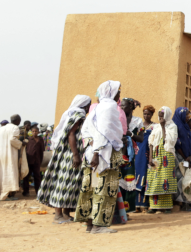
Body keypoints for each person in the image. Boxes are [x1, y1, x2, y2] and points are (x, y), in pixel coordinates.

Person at [74, 81, 124, 234]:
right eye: (118, 92)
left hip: (92, 154)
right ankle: (98, 226)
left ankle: (90, 224)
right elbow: (104, 131)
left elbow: (85, 131)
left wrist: (91, 147)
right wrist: (97, 153)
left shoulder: (96, 108)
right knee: (104, 190)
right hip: (104, 155)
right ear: (112, 92)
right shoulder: (110, 107)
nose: (119, 95)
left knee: (91, 189)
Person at [37, 95, 90, 222]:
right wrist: (75, 155)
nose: (89, 107)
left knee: (70, 184)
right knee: (63, 183)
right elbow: (71, 134)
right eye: (88, 104)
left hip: (67, 153)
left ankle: (66, 214)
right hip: (70, 154)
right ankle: (58, 215)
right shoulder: (78, 114)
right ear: (84, 104)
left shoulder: (72, 113)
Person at [145, 106, 178, 213]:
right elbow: (151, 142)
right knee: (154, 180)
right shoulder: (156, 127)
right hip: (155, 155)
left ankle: (166, 207)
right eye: (159, 117)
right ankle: (154, 206)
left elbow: (169, 141)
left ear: (167, 116)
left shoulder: (172, 127)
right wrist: (150, 157)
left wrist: (164, 127)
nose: (160, 119)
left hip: (166, 156)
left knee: (165, 179)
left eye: (162, 117)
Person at [120, 98, 143, 212]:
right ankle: (117, 210)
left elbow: (141, 138)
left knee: (128, 182)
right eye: (121, 106)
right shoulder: (118, 119)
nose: (122, 108)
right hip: (118, 153)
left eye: (124, 106)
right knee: (118, 181)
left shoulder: (137, 121)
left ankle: (126, 210)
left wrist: (131, 135)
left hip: (130, 156)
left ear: (130, 107)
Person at [134, 105, 155, 213]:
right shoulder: (138, 125)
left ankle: (145, 204)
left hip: (148, 155)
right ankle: (136, 205)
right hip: (138, 154)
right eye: (144, 114)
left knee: (146, 178)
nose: (146, 116)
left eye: (148, 114)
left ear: (152, 115)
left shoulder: (154, 127)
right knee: (136, 177)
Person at [0, 115, 22, 201]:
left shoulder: (2, 128)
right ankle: (8, 195)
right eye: (19, 120)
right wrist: (21, 143)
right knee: (10, 172)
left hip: (1, 153)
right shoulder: (15, 128)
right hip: (10, 153)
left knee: (2, 173)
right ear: (17, 120)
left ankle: (3, 193)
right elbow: (12, 140)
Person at [23, 125, 45, 197]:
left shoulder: (41, 140)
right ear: (31, 132)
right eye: (33, 131)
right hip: (29, 160)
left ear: (38, 132)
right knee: (26, 176)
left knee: (37, 176)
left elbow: (42, 150)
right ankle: (26, 191)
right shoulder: (28, 139)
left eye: (36, 131)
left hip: (37, 161)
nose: (34, 132)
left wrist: (41, 160)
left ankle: (38, 192)